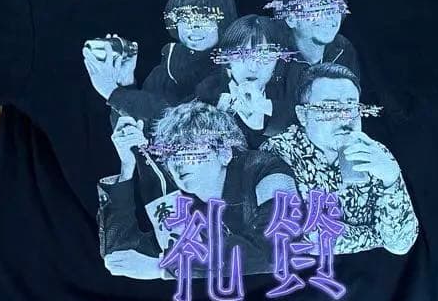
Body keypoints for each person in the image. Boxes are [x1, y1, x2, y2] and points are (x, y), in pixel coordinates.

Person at [98, 101, 296, 281]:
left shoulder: (266, 170)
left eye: (190, 151)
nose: (178, 164)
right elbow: (120, 258)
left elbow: (274, 248)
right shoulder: (187, 204)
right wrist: (127, 167)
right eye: (171, 155)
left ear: (224, 153)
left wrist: (164, 267)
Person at [262, 63, 418, 255]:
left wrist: (392, 179)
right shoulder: (277, 152)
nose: (345, 118)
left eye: (351, 106)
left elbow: (401, 243)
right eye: (330, 107)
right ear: (303, 115)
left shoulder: (374, 154)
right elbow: (306, 237)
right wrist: (378, 238)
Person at [83, 0, 238, 125]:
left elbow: (185, 123)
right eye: (185, 19)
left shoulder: (235, 67)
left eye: (204, 18)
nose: (193, 27)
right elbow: (140, 129)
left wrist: (113, 92)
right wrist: (126, 83)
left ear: (222, 22)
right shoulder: (167, 67)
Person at [194, 14, 297, 147]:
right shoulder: (205, 101)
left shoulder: (289, 100)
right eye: (242, 55)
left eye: (264, 56)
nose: (253, 67)